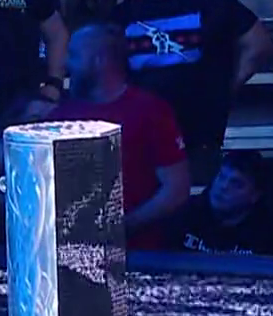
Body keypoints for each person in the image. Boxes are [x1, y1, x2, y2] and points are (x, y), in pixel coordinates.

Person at [111, 0, 273, 180]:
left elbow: (259, 44)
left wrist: (226, 88)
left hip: (199, 139)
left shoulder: (210, 0)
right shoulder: (123, 14)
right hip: (141, 141)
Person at [49, 22, 191, 249]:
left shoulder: (150, 111)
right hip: (72, 248)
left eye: (74, 56)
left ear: (99, 60)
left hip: (139, 253)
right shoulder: (62, 115)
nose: (66, 64)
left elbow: (176, 188)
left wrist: (122, 227)